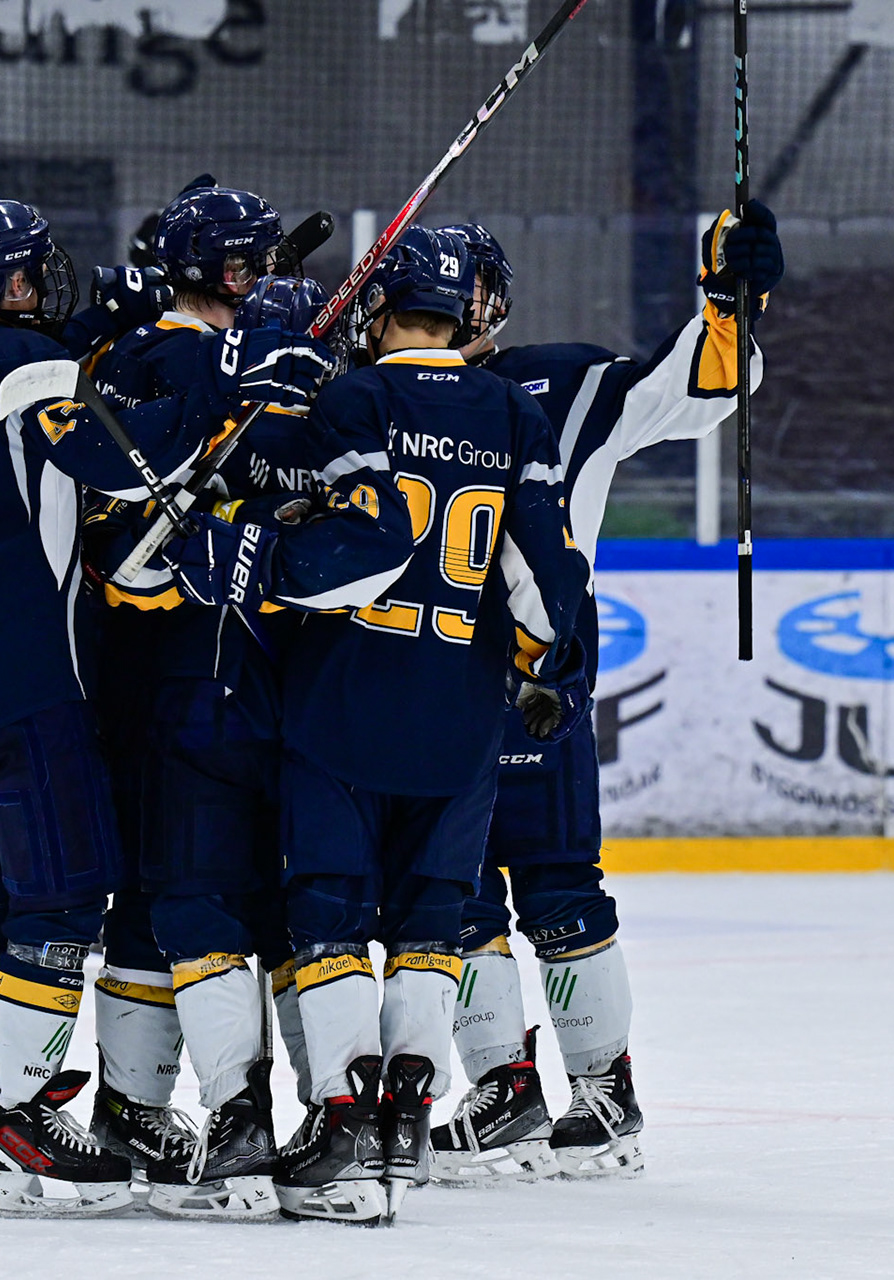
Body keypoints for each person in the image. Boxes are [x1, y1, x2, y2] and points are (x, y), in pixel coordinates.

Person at [0, 196, 320, 1217]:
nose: (47, 282)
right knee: (62, 902)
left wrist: (102, 323)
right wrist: (234, 386)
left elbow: (33, 366)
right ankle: (24, 1121)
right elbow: (131, 460)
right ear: (2, 286)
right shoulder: (25, 366)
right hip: (28, 676)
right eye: (30, 271)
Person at [237, 227, 594, 1225]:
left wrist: (265, 552)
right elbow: (545, 577)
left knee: (331, 913)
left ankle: (344, 1119)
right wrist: (543, 663)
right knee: (433, 922)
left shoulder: (356, 399)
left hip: (344, 700)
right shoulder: (513, 410)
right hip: (461, 716)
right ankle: (406, 1124)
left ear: (381, 307)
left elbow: (338, 537)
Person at [426, 206, 784, 1183]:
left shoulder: (568, 386)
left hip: (533, 677)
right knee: (449, 895)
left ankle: (602, 1089)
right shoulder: (365, 392)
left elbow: (697, 388)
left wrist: (728, 305)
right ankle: (503, 1089)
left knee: (556, 884)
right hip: (415, 680)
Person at [76, 186, 329, 1220]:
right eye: (250, 261)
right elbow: (119, 536)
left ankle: (215, 1120)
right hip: (213, 679)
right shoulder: (173, 357)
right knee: (196, 899)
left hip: (212, 682)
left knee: (192, 898)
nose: (262, 274)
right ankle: (219, 1117)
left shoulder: (248, 359)